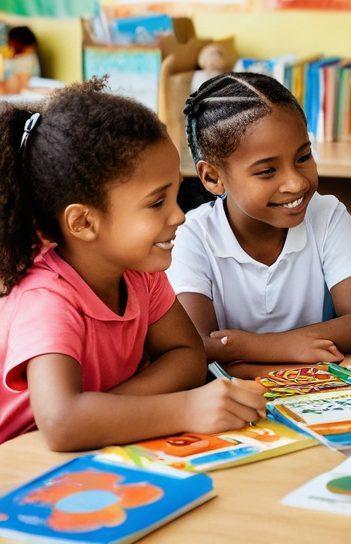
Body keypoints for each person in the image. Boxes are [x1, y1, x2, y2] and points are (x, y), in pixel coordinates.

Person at [0, 80, 266, 449]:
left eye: (176, 195)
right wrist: (185, 409)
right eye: (157, 203)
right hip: (19, 470)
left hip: (93, 451)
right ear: (83, 223)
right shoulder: (46, 300)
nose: (179, 216)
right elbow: (61, 423)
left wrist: (104, 409)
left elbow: (187, 356)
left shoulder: (139, 272)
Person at [169, 72, 351, 372]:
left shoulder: (327, 213)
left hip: (309, 385)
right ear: (213, 178)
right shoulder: (193, 236)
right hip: (238, 395)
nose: (296, 183)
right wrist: (290, 348)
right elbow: (197, 346)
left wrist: (247, 347)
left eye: (303, 157)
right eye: (268, 171)